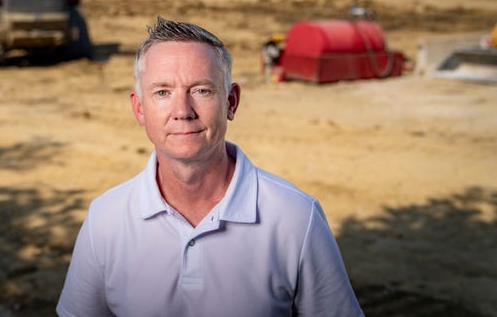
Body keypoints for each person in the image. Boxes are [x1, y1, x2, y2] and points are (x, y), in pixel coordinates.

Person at [56, 16, 364, 317]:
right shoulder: (104, 219)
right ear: (139, 108)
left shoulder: (296, 217)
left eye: (201, 90)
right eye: (162, 92)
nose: (182, 111)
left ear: (231, 102)